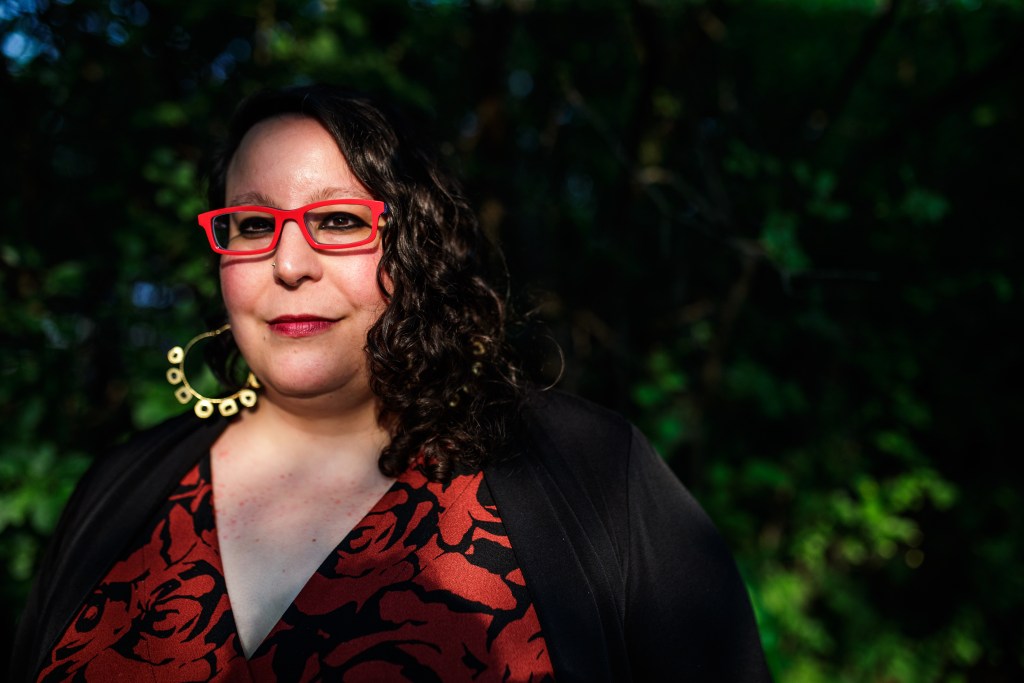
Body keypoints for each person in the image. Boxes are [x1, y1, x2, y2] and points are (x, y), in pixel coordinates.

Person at [11, 84, 772, 682]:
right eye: (253, 225)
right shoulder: (121, 490)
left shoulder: (593, 472)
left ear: (418, 243)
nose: (288, 263)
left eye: (338, 221)